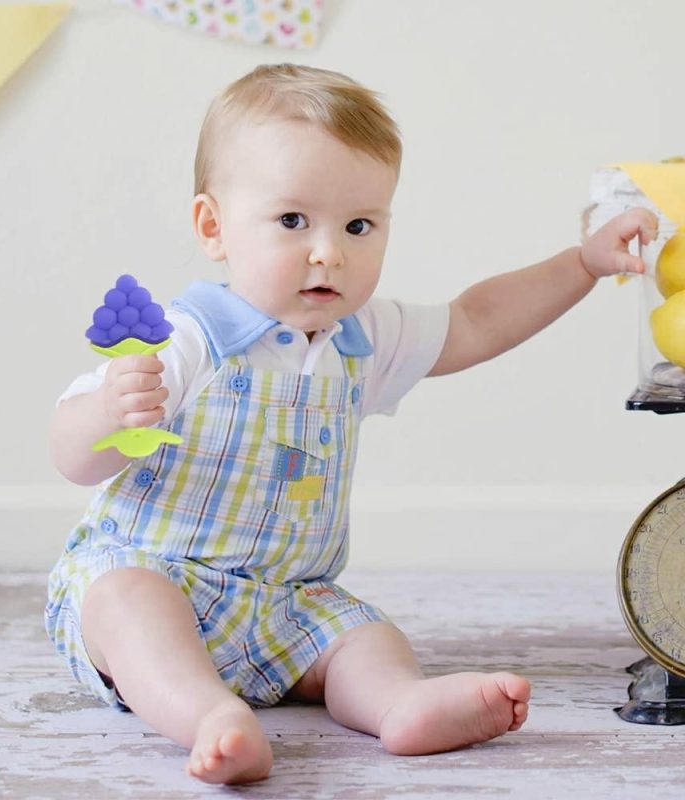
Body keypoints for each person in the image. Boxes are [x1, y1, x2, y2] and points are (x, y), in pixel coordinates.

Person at [46, 63, 657, 785]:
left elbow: (476, 320)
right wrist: (108, 416)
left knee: (361, 636)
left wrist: (582, 264)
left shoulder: (359, 338)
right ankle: (208, 714)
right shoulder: (189, 339)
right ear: (214, 226)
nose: (329, 250)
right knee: (126, 604)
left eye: (359, 225)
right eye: (292, 220)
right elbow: (70, 455)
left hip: (285, 602)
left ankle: (399, 704)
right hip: (160, 575)